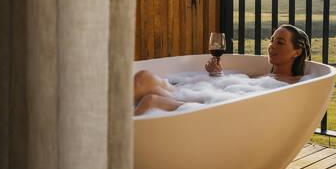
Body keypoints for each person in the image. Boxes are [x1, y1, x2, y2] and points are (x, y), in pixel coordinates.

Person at [133, 24, 311, 116]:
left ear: (297, 52)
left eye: (279, 42)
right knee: (144, 77)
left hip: (211, 110)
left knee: (151, 100)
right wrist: (216, 74)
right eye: (272, 40)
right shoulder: (263, 76)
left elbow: (239, 105)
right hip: (205, 99)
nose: (271, 46)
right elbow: (230, 89)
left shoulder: (293, 85)